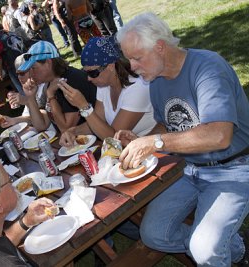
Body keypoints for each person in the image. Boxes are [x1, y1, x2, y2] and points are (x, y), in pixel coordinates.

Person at [116, 12, 249, 266]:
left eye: (136, 58)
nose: (131, 67)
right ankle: (232, 246)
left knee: (205, 250)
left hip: (235, 167)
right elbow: (167, 126)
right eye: (128, 58)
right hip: (190, 168)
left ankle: (211, 247)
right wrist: (140, 139)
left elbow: (220, 135)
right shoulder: (156, 80)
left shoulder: (207, 68)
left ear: (160, 47)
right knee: (154, 235)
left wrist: (155, 143)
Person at [58, 36, 155, 146]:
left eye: (93, 73)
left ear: (110, 66)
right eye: (86, 73)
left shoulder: (137, 88)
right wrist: (72, 132)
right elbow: (97, 122)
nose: (89, 78)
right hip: (130, 150)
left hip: (154, 153)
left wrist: (84, 107)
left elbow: (114, 138)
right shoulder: (103, 86)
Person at [17, 41, 97, 133]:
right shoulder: (50, 82)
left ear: (48, 62)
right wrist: (30, 97)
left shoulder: (71, 81)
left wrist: (51, 95)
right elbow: (41, 126)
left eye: (33, 68)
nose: (30, 74)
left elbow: (65, 129)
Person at [0, 54, 56, 132]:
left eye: (22, 73)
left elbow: (42, 124)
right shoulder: (30, 88)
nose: (19, 77)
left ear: (32, 70)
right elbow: (30, 117)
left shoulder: (46, 87)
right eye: (17, 74)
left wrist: (27, 101)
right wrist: (12, 120)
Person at [0, 23, 25, 94]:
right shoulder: (11, 33)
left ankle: (29, 103)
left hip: (12, 66)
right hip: (24, 60)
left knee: (22, 88)